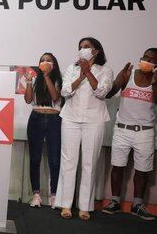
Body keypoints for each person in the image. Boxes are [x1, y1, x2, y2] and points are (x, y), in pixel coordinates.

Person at [55, 37, 113, 220]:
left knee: (89, 163)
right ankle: (65, 204)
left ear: (96, 51)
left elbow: (102, 92)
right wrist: (81, 75)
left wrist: (89, 73)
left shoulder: (106, 70)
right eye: (81, 47)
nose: (83, 50)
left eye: (87, 47)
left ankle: (84, 207)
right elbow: (65, 91)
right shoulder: (73, 68)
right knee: (68, 162)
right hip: (71, 118)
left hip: (94, 120)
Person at [102, 48, 157, 220]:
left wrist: (155, 83)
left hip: (145, 131)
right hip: (122, 129)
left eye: (152, 59)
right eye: (145, 57)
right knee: (117, 166)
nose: (147, 60)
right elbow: (109, 94)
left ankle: (137, 205)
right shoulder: (129, 74)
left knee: (142, 170)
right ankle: (115, 201)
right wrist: (119, 78)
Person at [24, 53, 63, 208]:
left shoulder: (59, 80)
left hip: (55, 120)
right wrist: (28, 83)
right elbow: (28, 100)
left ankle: (54, 196)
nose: (45, 62)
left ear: (54, 64)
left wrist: (47, 76)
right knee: (35, 159)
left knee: (54, 160)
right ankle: (36, 195)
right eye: (42, 60)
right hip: (36, 119)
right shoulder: (35, 79)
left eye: (48, 60)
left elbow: (55, 97)